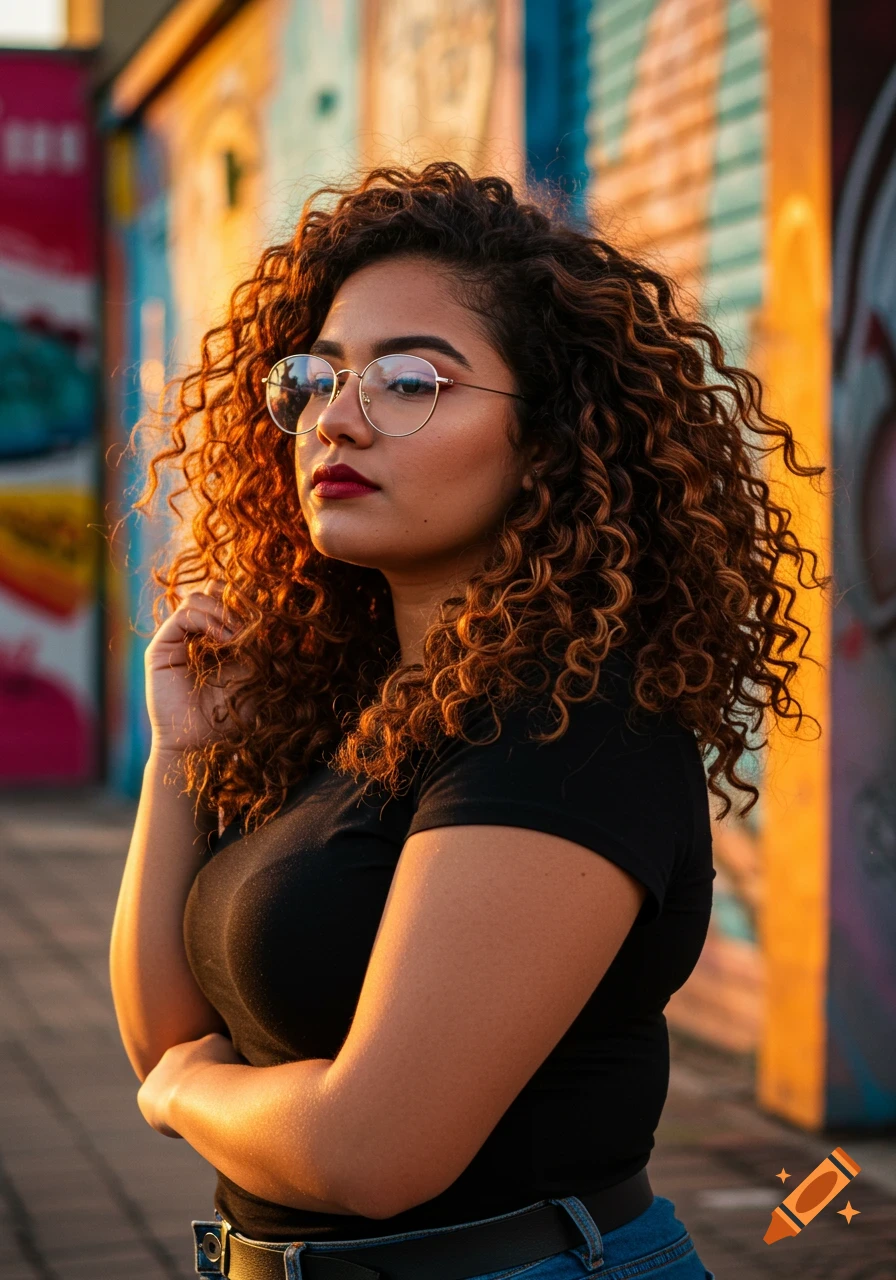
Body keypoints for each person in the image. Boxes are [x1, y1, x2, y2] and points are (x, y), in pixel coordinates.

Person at [110, 160, 828, 1280]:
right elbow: (162, 1031)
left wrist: (185, 1091)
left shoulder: (565, 723)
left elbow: (372, 1152)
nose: (334, 420)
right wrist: (180, 757)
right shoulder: (343, 697)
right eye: (317, 376)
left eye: (410, 382)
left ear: (548, 442)